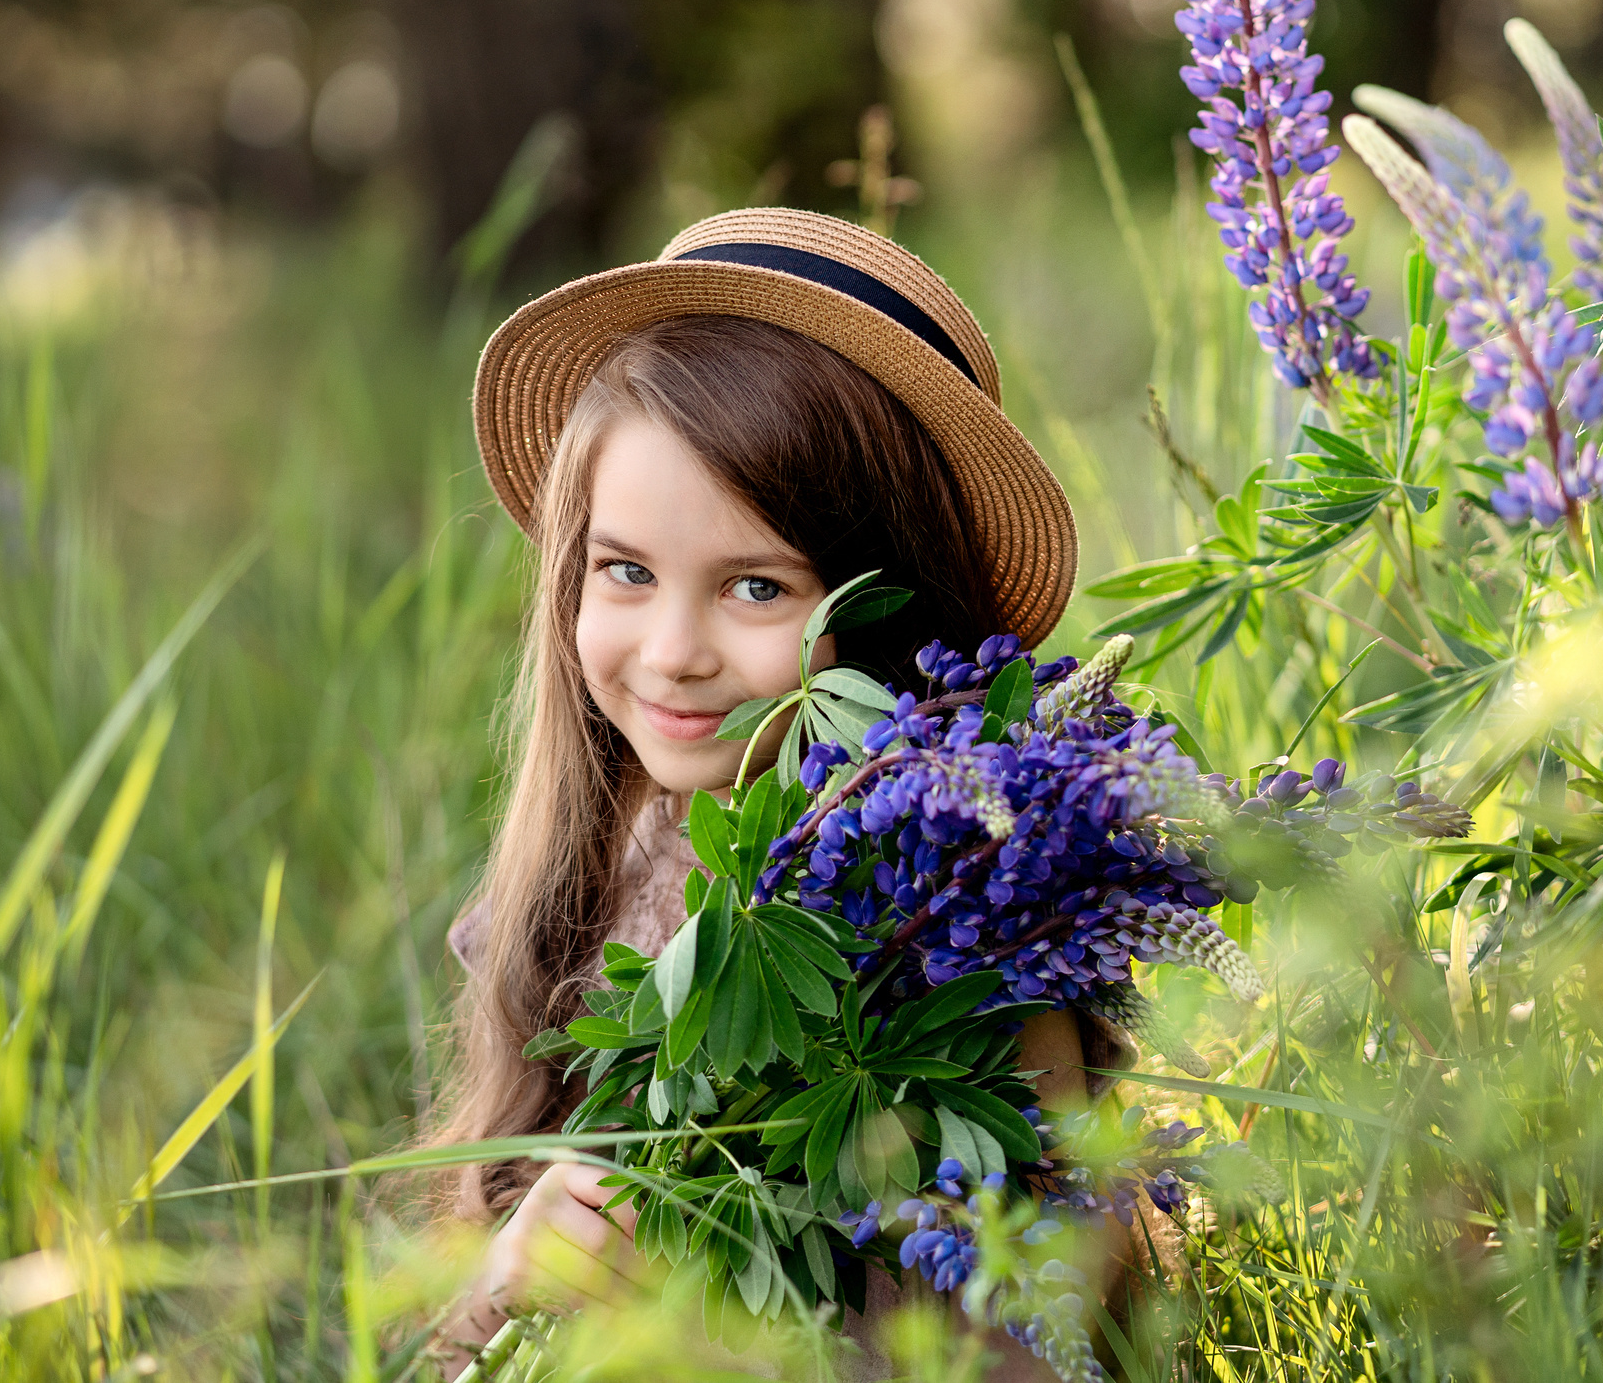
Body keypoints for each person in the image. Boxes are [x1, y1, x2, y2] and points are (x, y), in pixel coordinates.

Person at [417, 208, 1132, 1378]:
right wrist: (497, 1302)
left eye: (756, 586)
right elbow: (460, 1346)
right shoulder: (594, 878)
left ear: (894, 615)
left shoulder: (968, 948)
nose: (673, 651)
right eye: (627, 572)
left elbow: (1044, 1345)